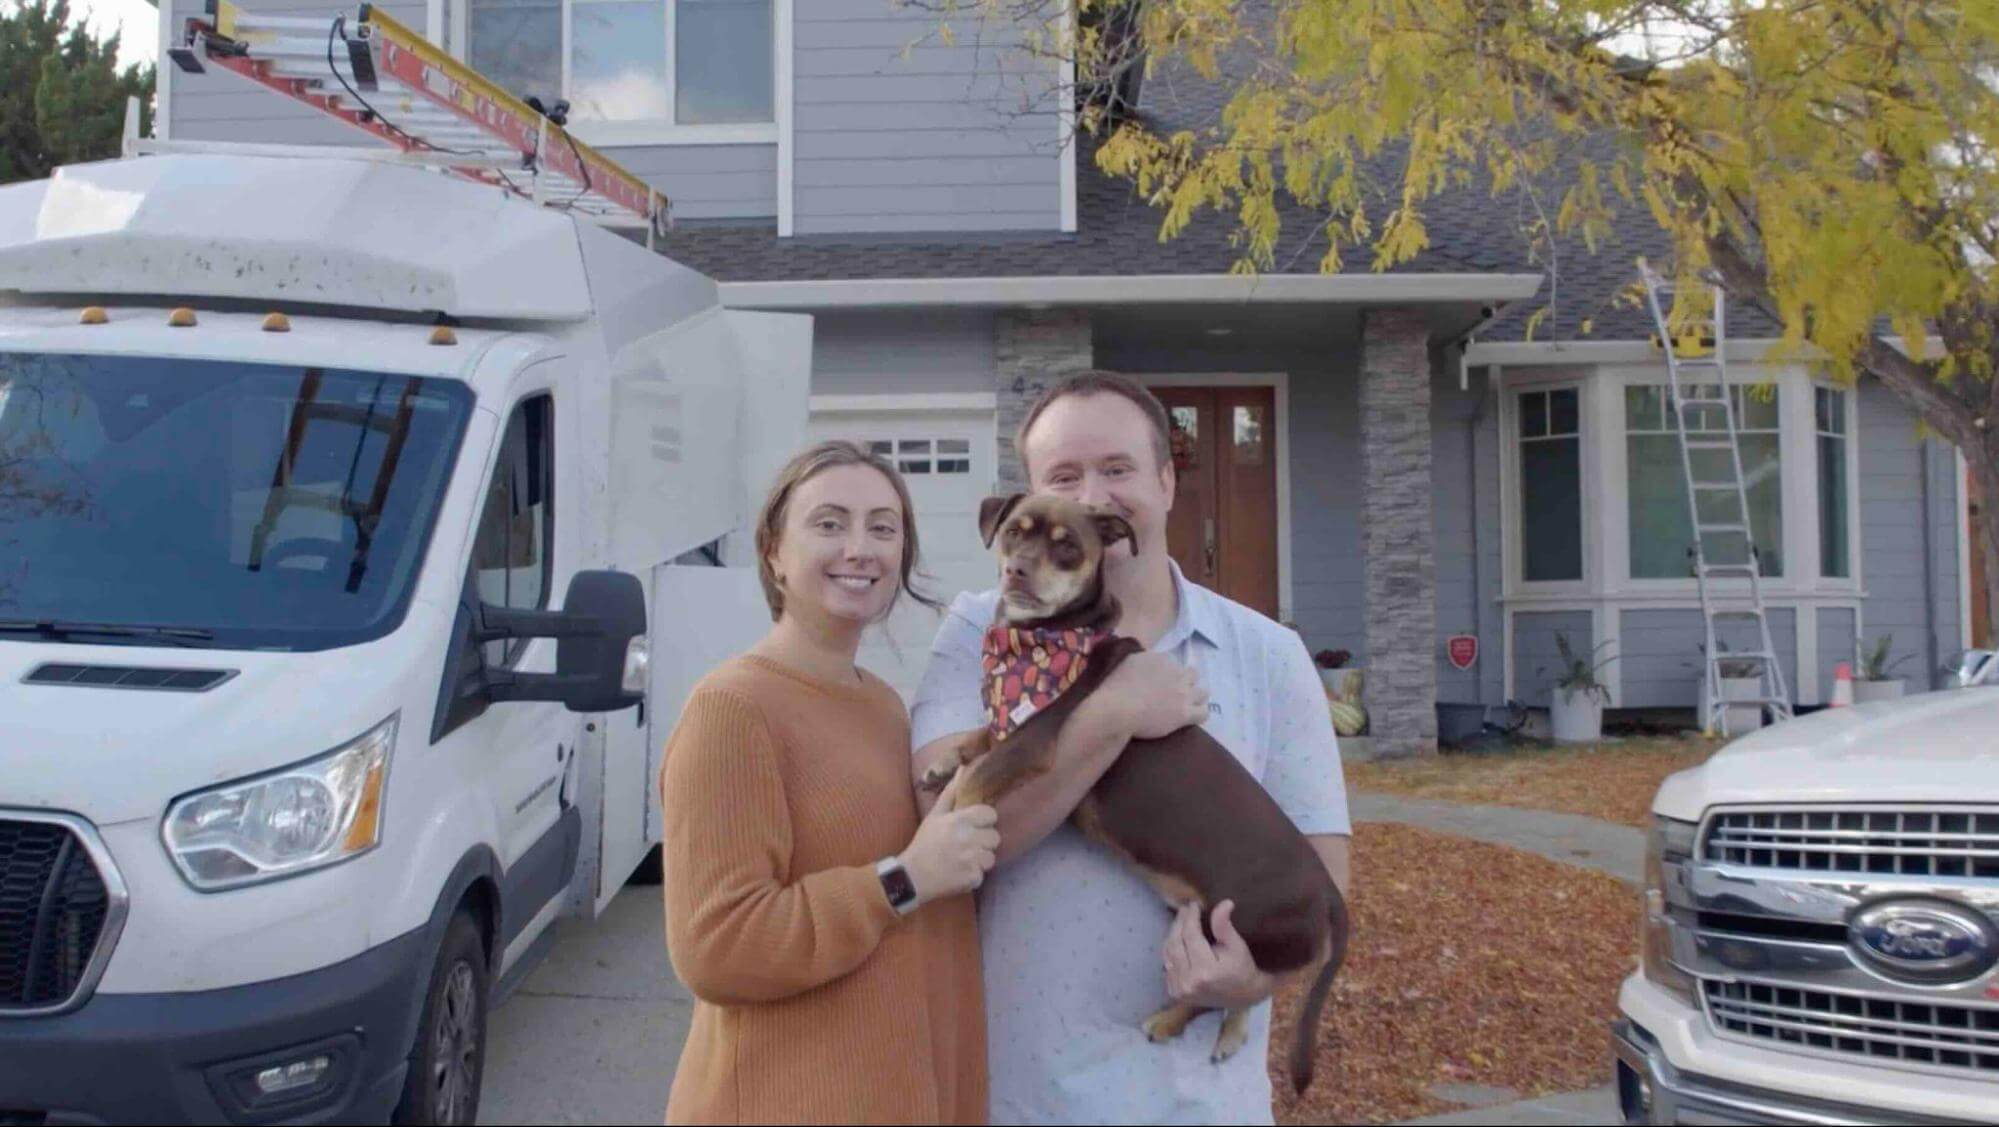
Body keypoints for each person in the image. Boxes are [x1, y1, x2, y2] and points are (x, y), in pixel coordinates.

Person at [911, 372, 1351, 1125]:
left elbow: (1322, 880)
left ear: (1167, 481)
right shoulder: (979, 637)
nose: (1089, 497)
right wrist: (1116, 709)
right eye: (1063, 475)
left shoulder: (1267, 654)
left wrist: (1250, 979)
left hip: (1199, 1106)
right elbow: (956, 832)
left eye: (1115, 469)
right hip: (1015, 1098)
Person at [660, 440, 999, 1124]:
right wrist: (903, 879)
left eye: (883, 527)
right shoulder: (732, 708)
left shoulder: (880, 703)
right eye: (829, 522)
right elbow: (717, 948)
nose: (860, 547)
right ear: (773, 552)